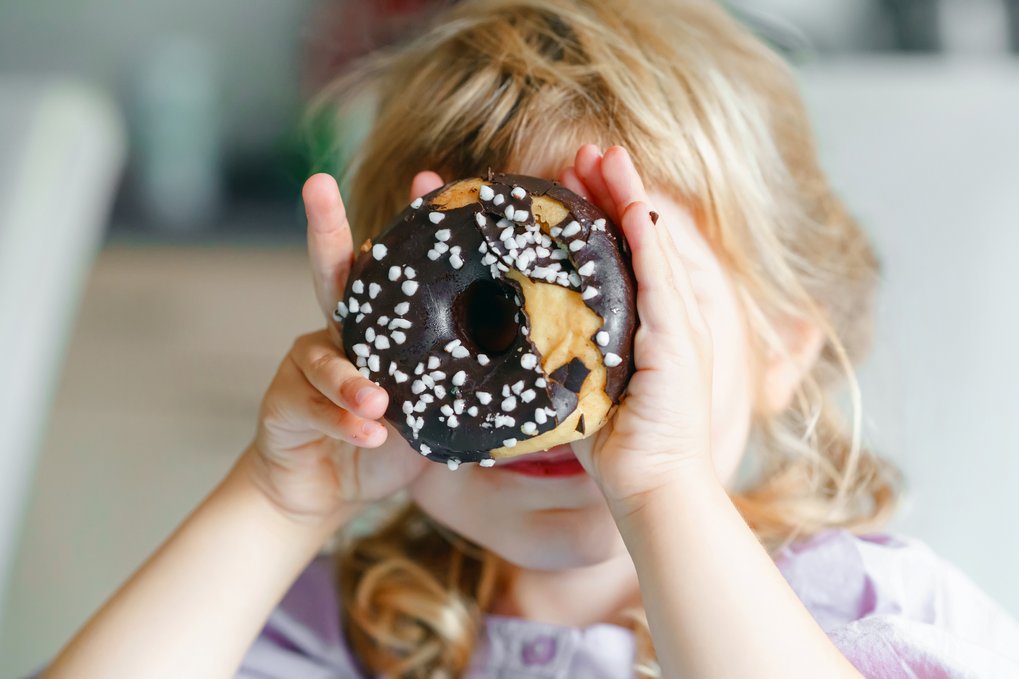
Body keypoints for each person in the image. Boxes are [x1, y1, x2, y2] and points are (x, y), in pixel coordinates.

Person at [41, 0, 1019, 677]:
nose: (554, 387)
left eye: (637, 304)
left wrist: (662, 492)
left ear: (782, 346)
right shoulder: (335, 635)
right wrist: (273, 502)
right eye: (486, 315)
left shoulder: (867, 613)